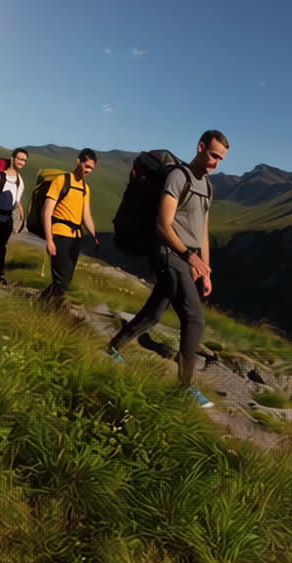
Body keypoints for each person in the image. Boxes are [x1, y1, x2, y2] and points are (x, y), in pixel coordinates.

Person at [107, 130, 227, 408]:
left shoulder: (207, 186)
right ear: (200, 147)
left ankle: (113, 347)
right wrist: (188, 256)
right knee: (195, 318)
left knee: (154, 312)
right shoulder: (178, 177)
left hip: (187, 257)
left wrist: (205, 267)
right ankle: (184, 387)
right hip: (168, 253)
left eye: (221, 159)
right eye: (213, 155)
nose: (216, 163)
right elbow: (163, 225)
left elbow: (203, 229)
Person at [39, 148, 100, 302]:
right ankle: (46, 306)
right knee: (62, 278)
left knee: (66, 279)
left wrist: (94, 235)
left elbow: (86, 215)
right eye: (86, 166)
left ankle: (43, 304)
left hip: (75, 238)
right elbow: (46, 212)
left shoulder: (86, 189)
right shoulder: (61, 180)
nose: (88, 171)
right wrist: (49, 240)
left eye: (91, 168)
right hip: (59, 233)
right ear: (78, 161)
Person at [0, 148, 27, 284]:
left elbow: (17, 201)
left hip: (7, 219)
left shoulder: (20, 182)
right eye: (20, 159)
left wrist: (22, 218)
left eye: (24, 160)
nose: (22, 162)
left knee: (2, 247)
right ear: (12, 158)